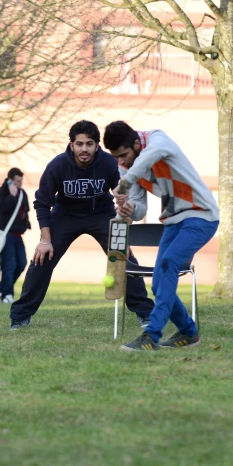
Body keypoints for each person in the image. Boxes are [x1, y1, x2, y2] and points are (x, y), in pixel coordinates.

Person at [9, 120, 154, 330]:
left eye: (89, 144)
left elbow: (123, 189)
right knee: (41, 259)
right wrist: (45, 240)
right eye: (79, 144)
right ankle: (20, 316)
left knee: (124, 257)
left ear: (97, 145)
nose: (84, 149)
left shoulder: (109, 163)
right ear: (71, 145)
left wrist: (121, 200)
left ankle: (146, 313)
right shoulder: (57, 166)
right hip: (65, 216)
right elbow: (42, 204)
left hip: (101, 214)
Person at [103, 121, 219, 351]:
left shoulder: (158, 140)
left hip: (201, 216)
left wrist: (125, 183)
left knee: (169, 262)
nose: (121, 162)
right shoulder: (127, 167)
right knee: (158, 285)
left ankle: (151, 335)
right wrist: (130, 210)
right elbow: (140, 208)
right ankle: (188, 332)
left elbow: (149, 157)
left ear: (137, 143)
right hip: (173, 222)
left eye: (124, 155)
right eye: (116, 158)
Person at [0, 168, 31, 303]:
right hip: (6, 235)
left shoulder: (22, 194)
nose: (20, 183)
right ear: (10, 180)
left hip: (18, 235)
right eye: (18, 181)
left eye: (21, 181)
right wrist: (11, 196)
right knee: (9, 265)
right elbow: (1, 210)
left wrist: (27, 225)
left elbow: (25, 212)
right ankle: (7, 295)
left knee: (22, 263)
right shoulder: (1, 192)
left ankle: (0, 287)